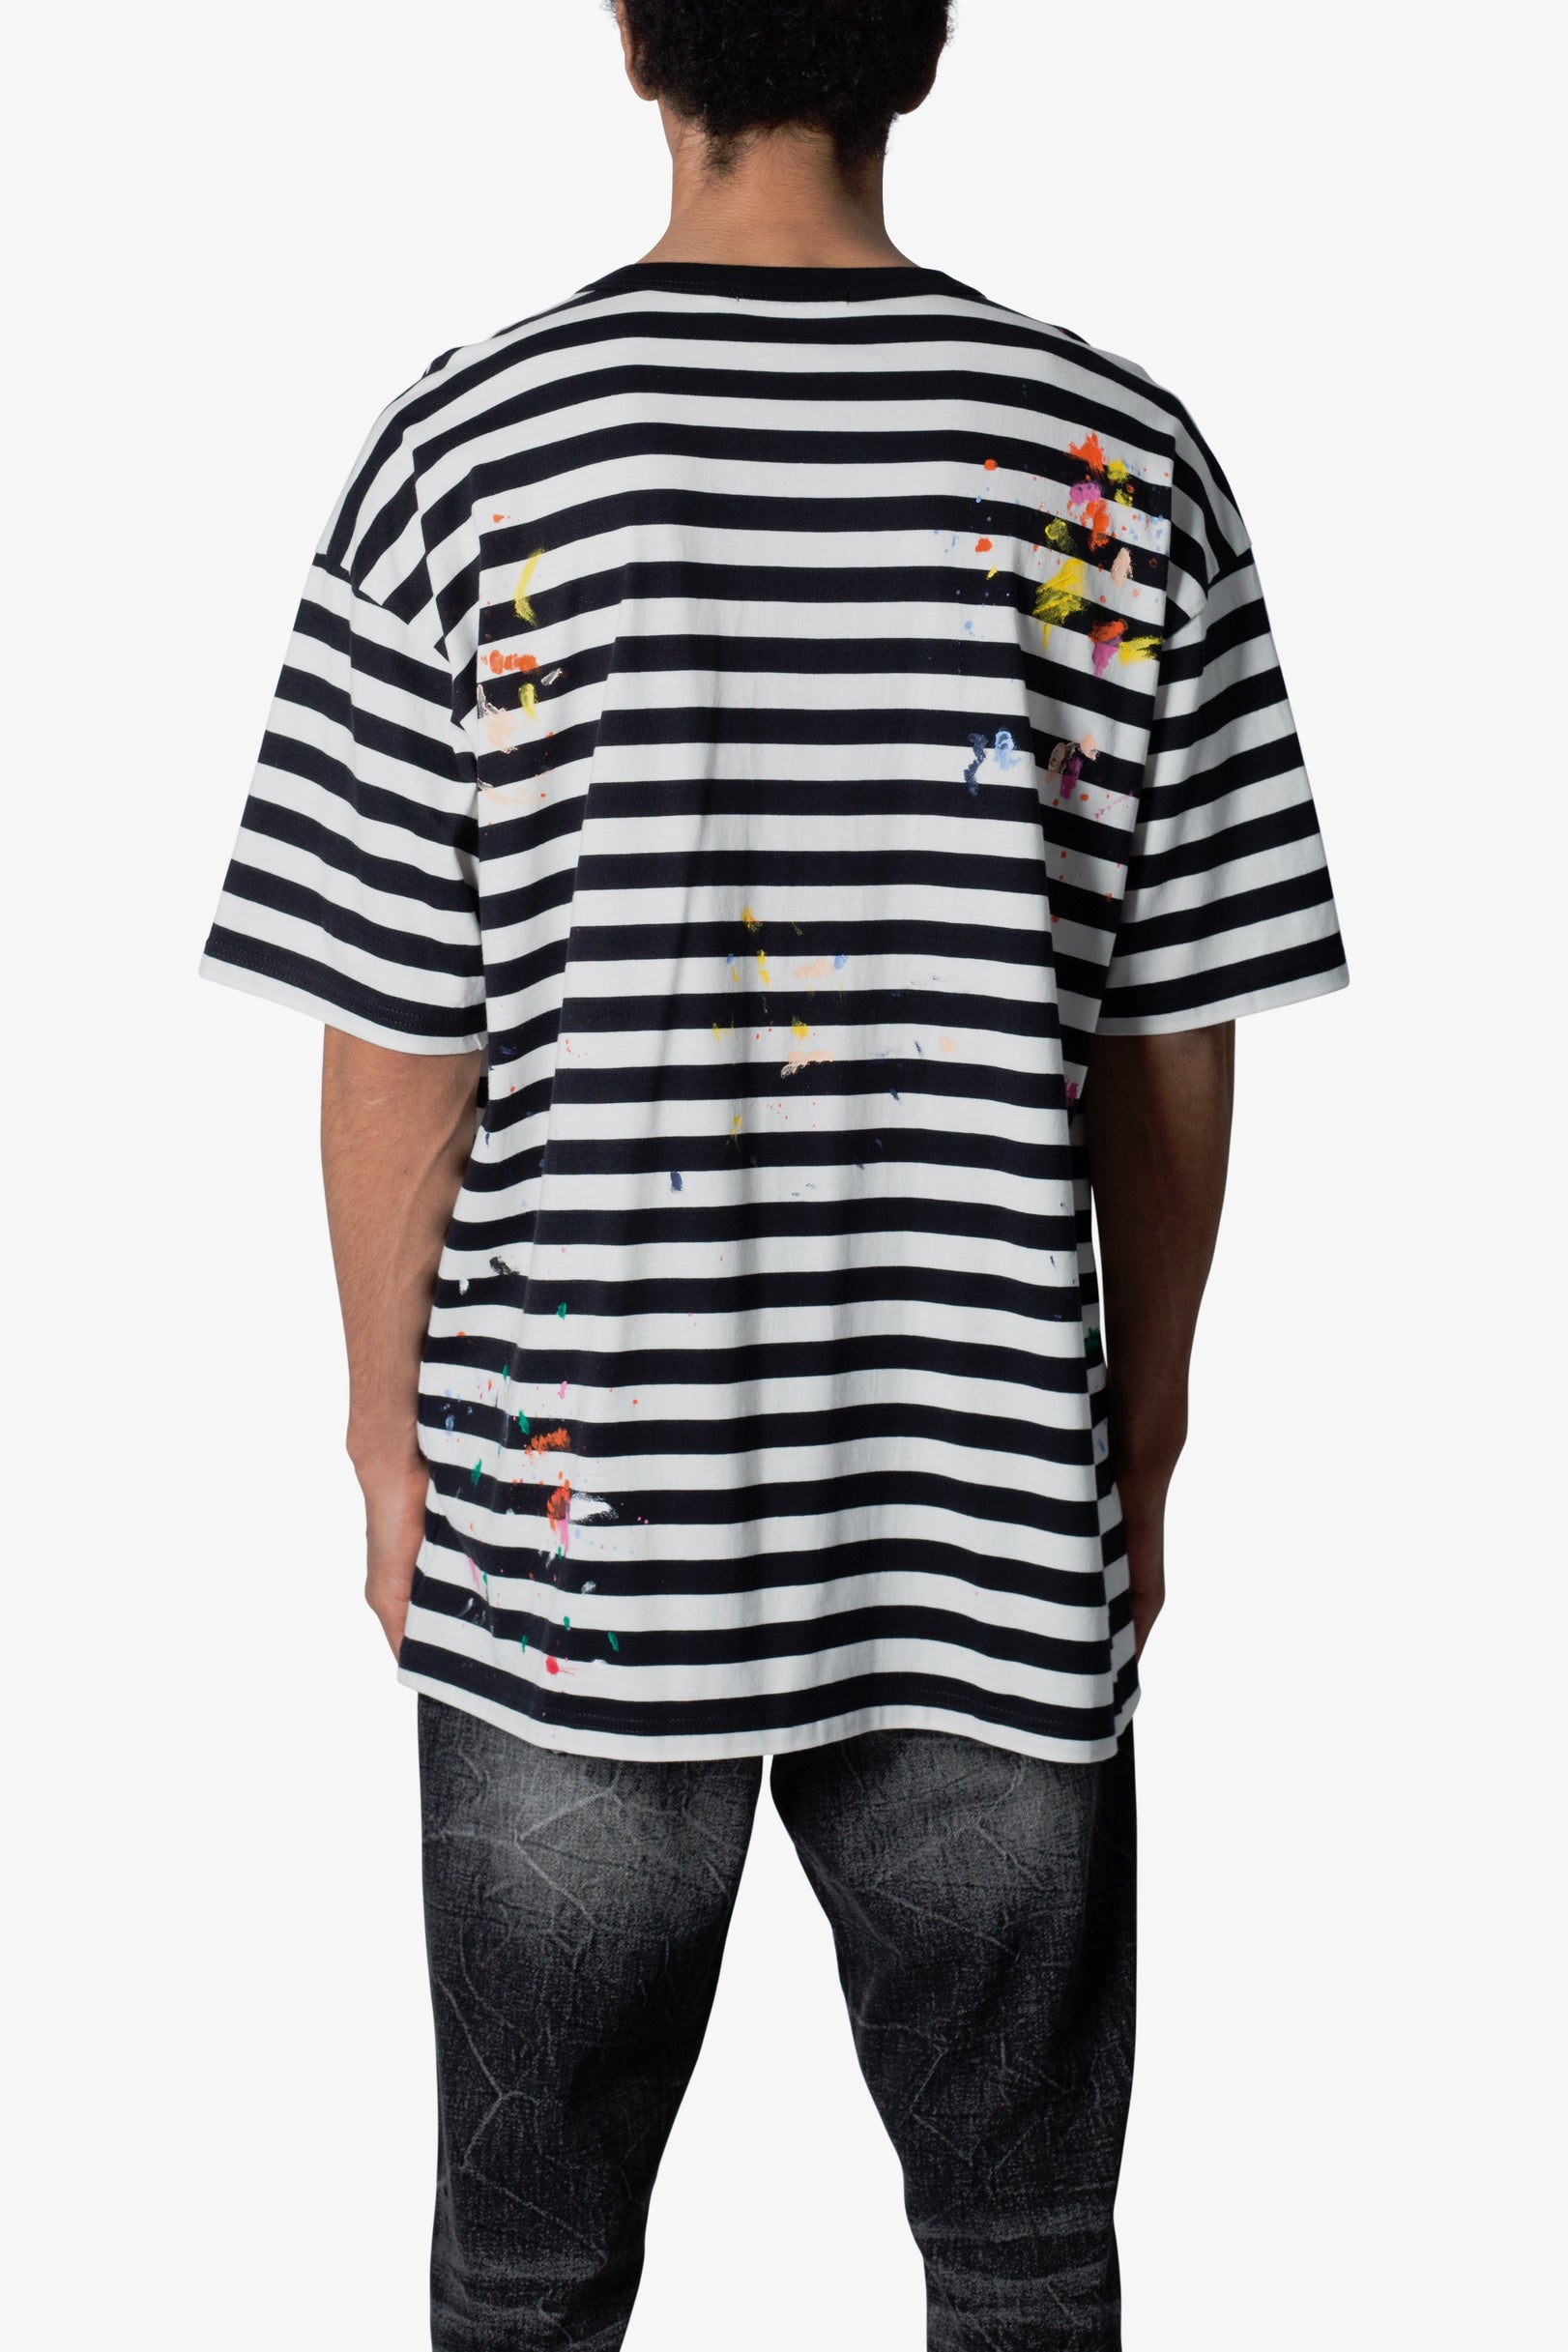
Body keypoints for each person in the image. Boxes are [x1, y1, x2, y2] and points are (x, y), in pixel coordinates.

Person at [200, 2, 1348, 2342]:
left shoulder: (468, 453)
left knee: (528, 2269)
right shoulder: (1122, 460)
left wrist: (384, 1431)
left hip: (571, 1517)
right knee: (1020, 2253)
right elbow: (1170, 1047)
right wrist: (1138, 1430)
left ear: (636, 39)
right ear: (923, 44)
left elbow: (399, 1038)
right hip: (980, 1495)